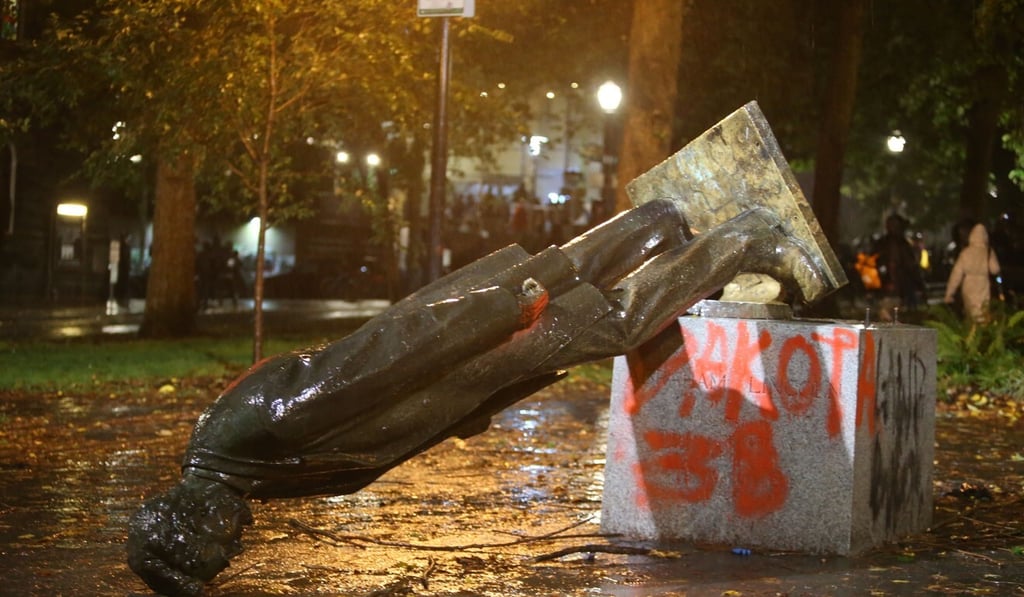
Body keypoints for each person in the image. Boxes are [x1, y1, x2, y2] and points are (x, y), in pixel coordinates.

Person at [127, 199, 831, 596]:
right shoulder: (230, 466)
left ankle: (743, 237)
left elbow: (381, 359)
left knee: (614, 321)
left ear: (194, 518)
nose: (236, 543)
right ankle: (660, 225)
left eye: (218, 544)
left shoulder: (256, 437)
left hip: (473, 342)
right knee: (569, 271)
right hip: (468, 358)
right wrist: (462, 409)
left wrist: (496, 313)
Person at [944, 222, 1001, 322]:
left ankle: (972, 332)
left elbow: (956, 275)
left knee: (971, 311)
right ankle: (982, 331)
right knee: (983, 310)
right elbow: (995, 269)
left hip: (968, 284)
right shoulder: (988, 251)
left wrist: (949, 294)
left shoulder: (965, 253)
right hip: (983, 284)